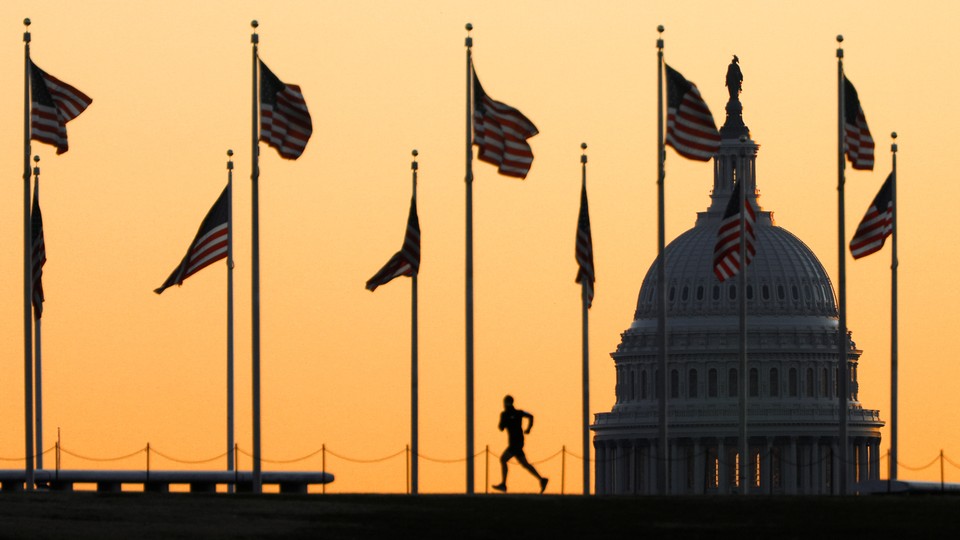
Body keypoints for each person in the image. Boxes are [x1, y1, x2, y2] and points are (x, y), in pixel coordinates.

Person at [491, 395, 548, 494]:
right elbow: (530, 416)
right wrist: (529, 428)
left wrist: (528, 428)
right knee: (525, 464)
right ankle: (542, 479)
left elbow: (501, 427)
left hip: (515, 443)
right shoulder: (518, 413)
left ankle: (503, 484)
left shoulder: (507, 414)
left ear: (506, 403)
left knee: (503, 459)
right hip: (518, 442)